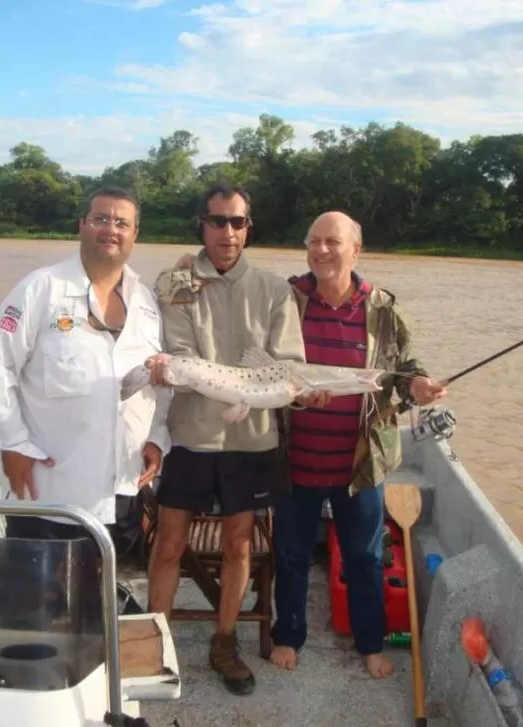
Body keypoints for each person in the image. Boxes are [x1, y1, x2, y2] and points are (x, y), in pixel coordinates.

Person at [144, 182, 309, 696]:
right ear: (202, 225)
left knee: (239, 544)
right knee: (169, 543)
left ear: (248, 227)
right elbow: (178, 356)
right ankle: (154, 643)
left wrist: (301, 391)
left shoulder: (275, 290)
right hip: (191, 436)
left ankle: (224, 640)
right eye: (217, 221)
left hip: (252, 438)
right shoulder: (174, 283)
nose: (228, 232)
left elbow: (292, 367)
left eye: (237, 222)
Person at [268, 210, 447, 679]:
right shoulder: (285, 300)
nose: (322, 250)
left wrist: (420, 385)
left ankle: (371, 643)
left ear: (356, 249)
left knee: (366, 557)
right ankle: (288, 636)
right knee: (289, 555)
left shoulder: (383, 308)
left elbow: (403, 368)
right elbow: (261, 358)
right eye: (314, 241)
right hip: (294, 459)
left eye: (332, 241)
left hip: (360, 463)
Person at [0, 184, 171, 556]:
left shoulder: (146, 304)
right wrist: (11, 445)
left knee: (100, 599)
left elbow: (156, 383)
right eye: (101, 219)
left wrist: (157, 438)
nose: (111, 229)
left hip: (121, 492)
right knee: (38, 605)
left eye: (122, 223)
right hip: (49, 493)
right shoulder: (40, 289)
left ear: (135, 235)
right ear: (82, 225)